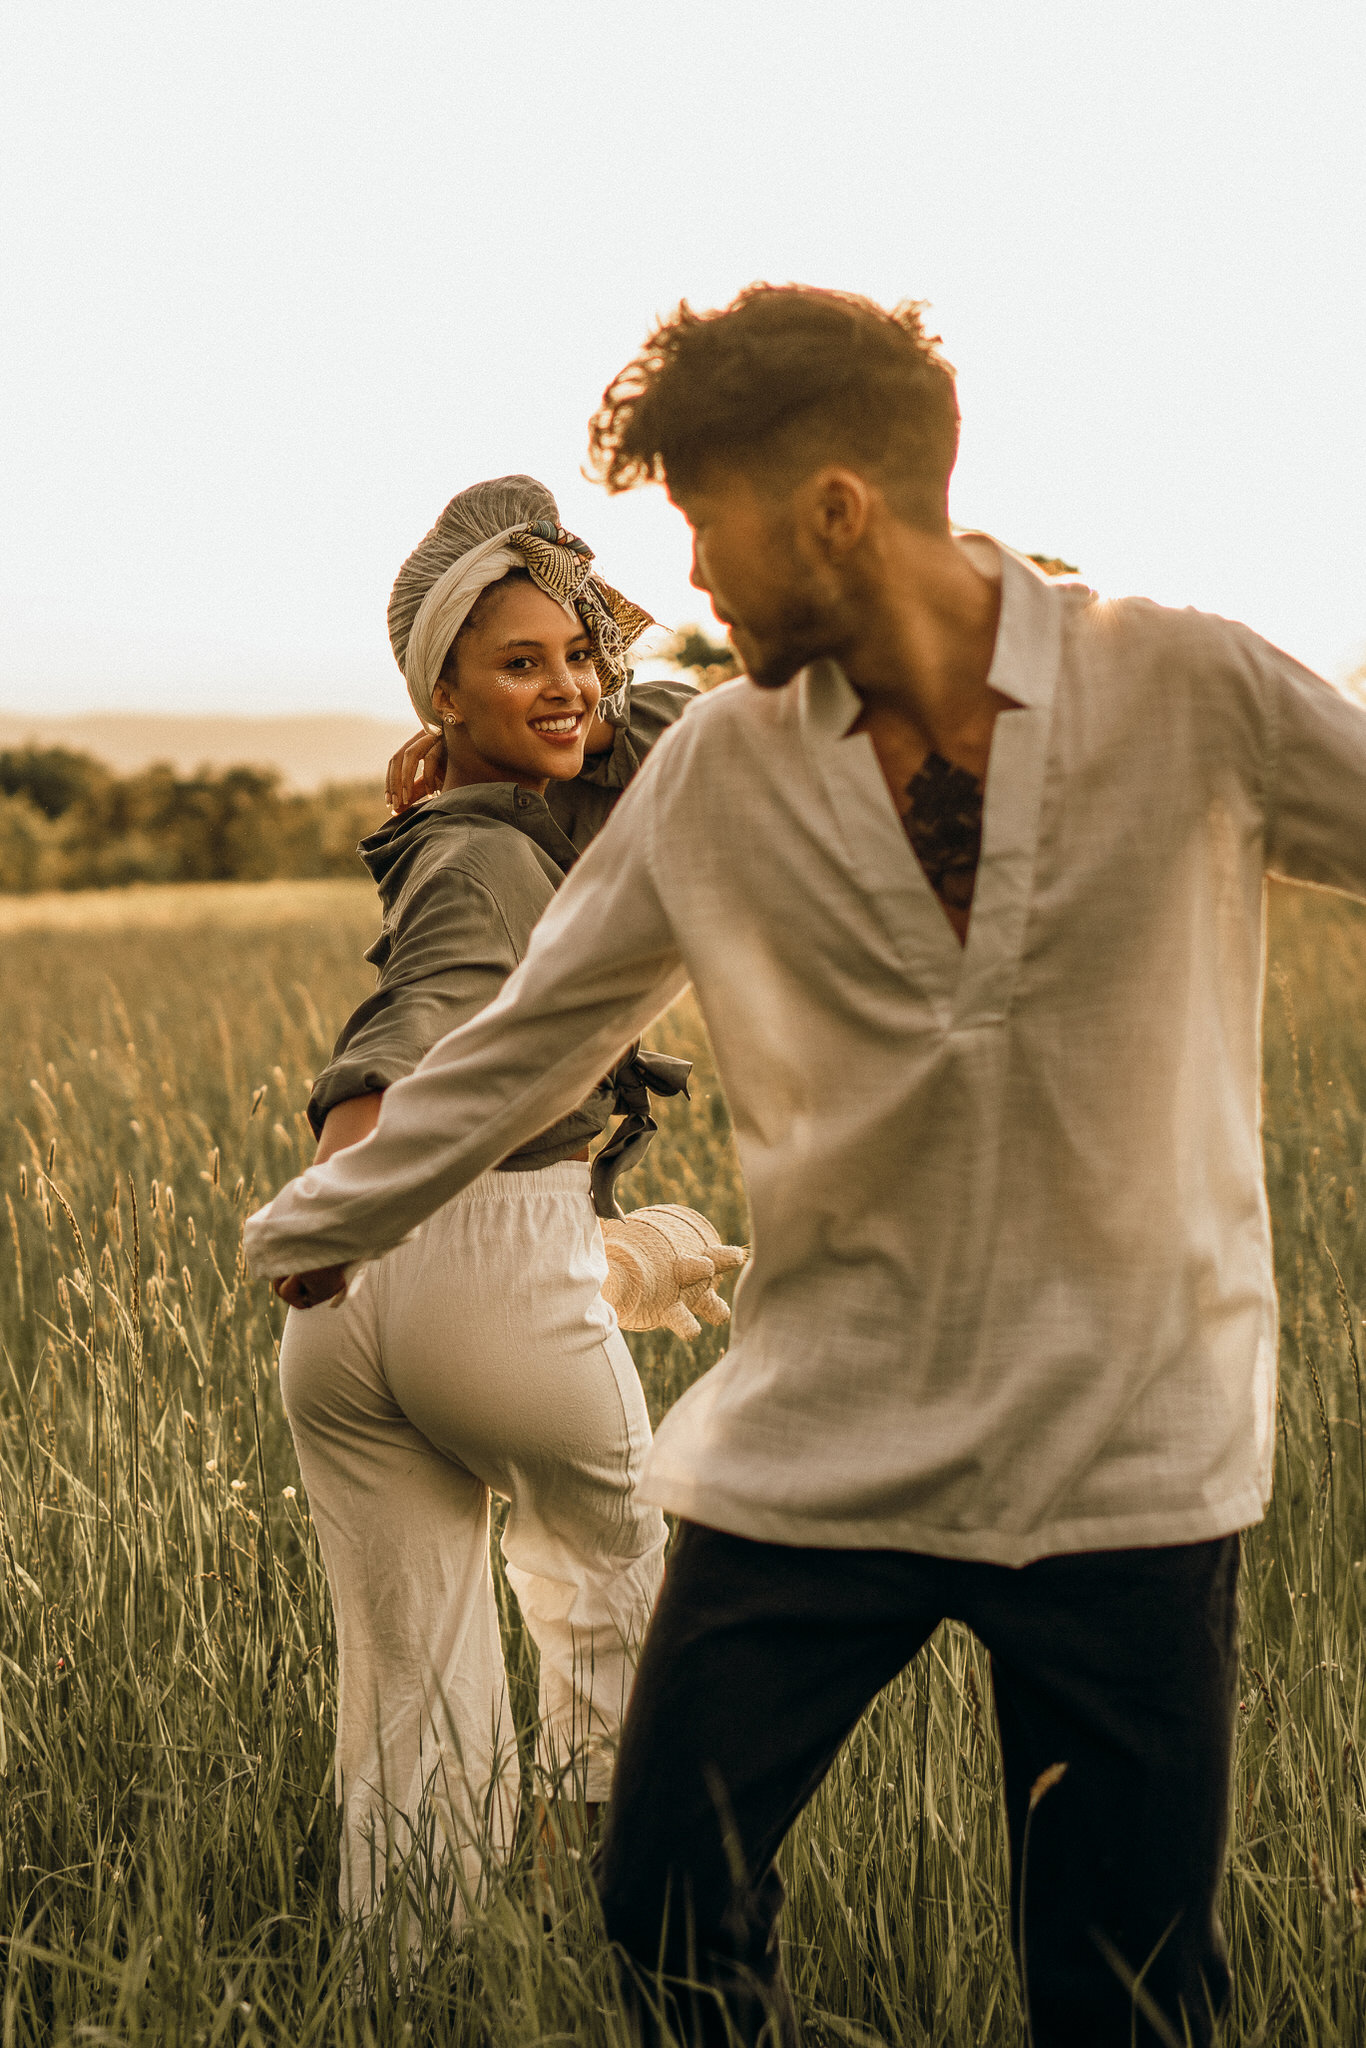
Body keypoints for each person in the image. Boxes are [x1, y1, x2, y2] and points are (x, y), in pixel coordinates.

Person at [244, 285, 1366, 2044]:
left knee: (1125, 1990)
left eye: (707, 524)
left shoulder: (1182, 687)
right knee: (665, 1904)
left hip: (1128, 1452)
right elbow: (529, 1033)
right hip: (823, 1443)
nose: (689, 579)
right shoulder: (724, 766)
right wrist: (326, 1217)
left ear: (835, 509)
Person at [273, 474, 694, 1945]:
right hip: (481, 1262)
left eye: (578, 655)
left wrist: (561, 702)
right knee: (618, 1603)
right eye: (520, 663)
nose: (569, 685)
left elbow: (668, 730)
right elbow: (409, 1031)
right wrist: (340, 1188)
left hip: (347, 1332)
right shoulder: (485, 856)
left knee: (409, 1684)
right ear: (439, 690)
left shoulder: (473, 819)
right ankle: (612, 1935)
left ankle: (409, 1977)